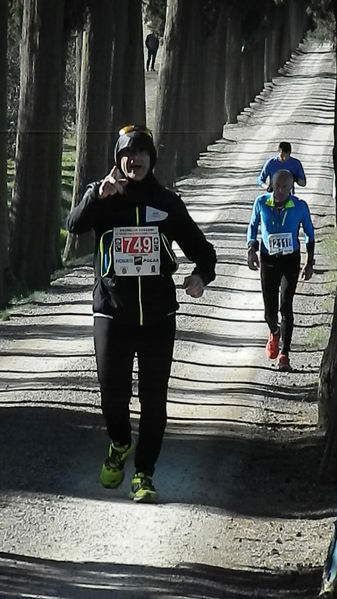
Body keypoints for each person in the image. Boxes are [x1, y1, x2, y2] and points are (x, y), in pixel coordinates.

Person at [67, 125, 216, 503]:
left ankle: (144, 474)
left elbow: (204, 252)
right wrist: (96, 198)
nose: (134, 161)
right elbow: (74, 225)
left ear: (152, 160)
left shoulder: (167, 202)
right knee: (111, 398)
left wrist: (200, 276)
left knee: (154, 401)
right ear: (118, 159)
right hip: (112, 314)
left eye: (142, 154)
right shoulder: (102, 195)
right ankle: (119, 443)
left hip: (157, 317)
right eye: (127, 154)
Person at [247, 169, 314, 372]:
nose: (281, 190)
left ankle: (284, 354)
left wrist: (310, 262)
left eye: (286, 187)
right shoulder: (261, 203)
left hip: (290, 261)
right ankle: (274, 332)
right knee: (269, 312)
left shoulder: (300, 206)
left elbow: (309, 234)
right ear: (272, 185)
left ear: (291, 187)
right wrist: (251, 249)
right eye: (278, 186)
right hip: (268, 260)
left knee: (286, 305)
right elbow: (252, 226)